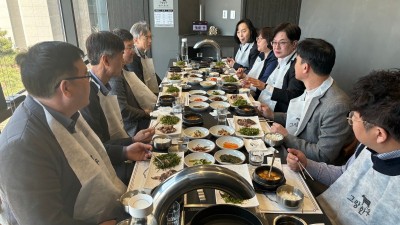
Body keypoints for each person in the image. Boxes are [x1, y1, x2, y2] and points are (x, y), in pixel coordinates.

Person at [0, 41, 150, 224]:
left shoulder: (61, 110)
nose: (90, 79)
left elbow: (86, 151)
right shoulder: (21, 146)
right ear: (66, 88)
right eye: (85, 75)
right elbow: (44, 221)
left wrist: (125, 151)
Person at [286, 69, 400, 224]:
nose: (350, 119)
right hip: (323, 213)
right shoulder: (367, 147)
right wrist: (306, 164)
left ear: (379, 134)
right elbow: (344, 175)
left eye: (354, 117)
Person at [259, 38, 353, 163]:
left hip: (306, 166)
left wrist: (286, 136)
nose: (293, 65)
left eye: (296, 61)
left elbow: (323, 155)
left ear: (305, 68)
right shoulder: (314, 87)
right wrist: (272, 115)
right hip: (292, 152)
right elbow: (300, 118)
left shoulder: (337, 105)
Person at [80, 31, 154, 185]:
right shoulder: (87, 96)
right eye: (121, 54)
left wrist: (133, 139)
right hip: (107, 170)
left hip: (116, 152)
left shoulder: (103, 86)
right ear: (106, 60)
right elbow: (97, 148)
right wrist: (126, 150)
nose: (123, 60)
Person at [246, 22, 305, 112]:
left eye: (282, 42)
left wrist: (264, 87)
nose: (276, 47)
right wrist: (255, 86)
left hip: (277, 117)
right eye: (274, 42)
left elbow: (293, 96)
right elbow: (270, 88)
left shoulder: (297, 65)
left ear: (294, 44)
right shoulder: (280, 59)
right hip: (262, 108)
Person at [109, 28, 157, 136]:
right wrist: (144, 112)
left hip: (140, 118)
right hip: (134, 129)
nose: (133, 52)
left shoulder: (123, 68)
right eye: (129, 47)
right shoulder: (115, 77)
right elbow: (123, 110)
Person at [237, 27, 278, 98]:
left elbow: (263, 82)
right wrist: (243, 75)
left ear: (269, 40)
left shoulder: (273, 59)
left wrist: (249, 84)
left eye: (260, 39)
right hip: (252, 89)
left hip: (261, 95)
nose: (258, 41)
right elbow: (253, 72)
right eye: (257, 38)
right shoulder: (261, 54)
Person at [125, 21, 161, 94]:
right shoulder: (132, 58)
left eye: (151, 37)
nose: (150, 41)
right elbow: (139, 85)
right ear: (135, 40)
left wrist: (164, 85)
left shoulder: (143, 54)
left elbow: (153, 76)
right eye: (147, 38)